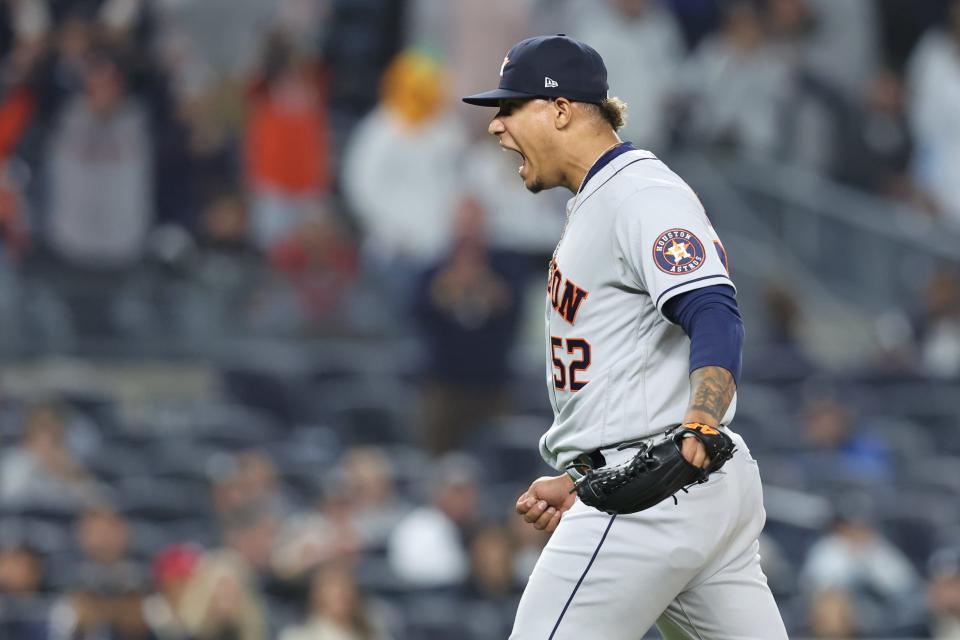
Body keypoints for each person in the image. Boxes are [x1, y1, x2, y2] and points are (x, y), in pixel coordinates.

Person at [462, 34, 787, 638]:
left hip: (651, 491)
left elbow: (714, 310)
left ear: (560, 110)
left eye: (510, 108)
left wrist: (701, 421)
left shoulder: (641, 195)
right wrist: (584, 473)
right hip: (667, 482)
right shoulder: (601, 200)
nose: (496, 128)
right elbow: (626, 369)